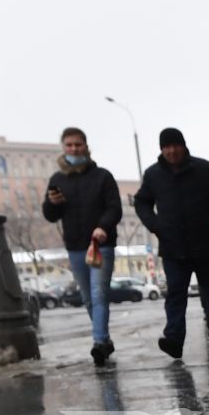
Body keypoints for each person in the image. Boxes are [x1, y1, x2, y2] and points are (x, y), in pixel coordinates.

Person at [134, 127, 209, 359]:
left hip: (205, 244)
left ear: (184, 146)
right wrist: (156, 226)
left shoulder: (204, 169)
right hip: (173, 247)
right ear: (161, 149)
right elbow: (142, 202)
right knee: (175, 294)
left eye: (175, 146)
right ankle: (174, 338)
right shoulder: (153, 175)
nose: (171, 151)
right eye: (166, 147)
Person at [42, 127, 125, 366]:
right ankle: (105, 340)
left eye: (78, 144)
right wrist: (52, 203)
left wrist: (103, 227)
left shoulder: (102, 176)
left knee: (99, 295)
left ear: (86, 147)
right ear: (63, 147)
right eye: (69, 145)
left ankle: (99, 342)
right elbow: (50, 215)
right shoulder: (57, 180)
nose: (74, 149)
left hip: (100, 244)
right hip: (75, 247)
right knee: (88, 299)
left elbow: (114, 208)